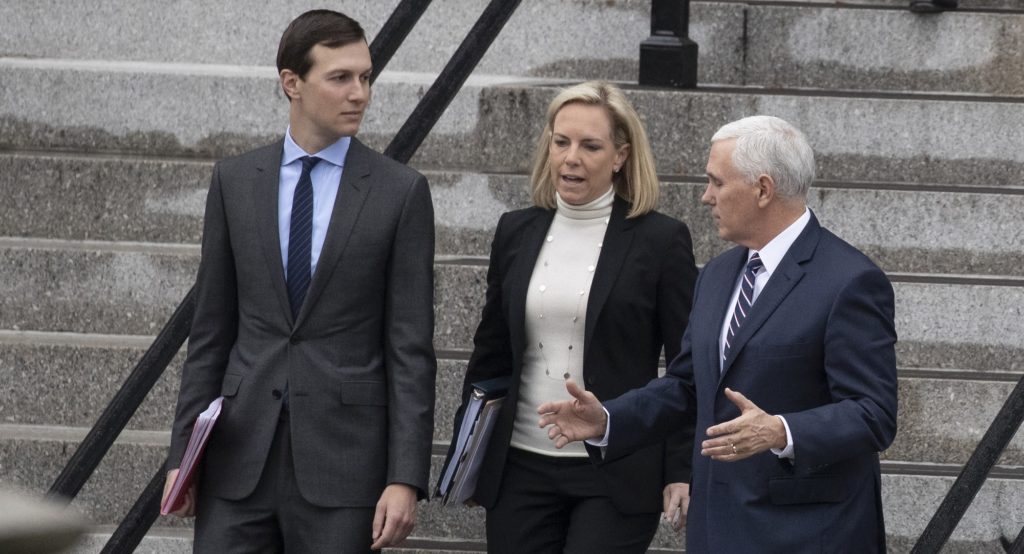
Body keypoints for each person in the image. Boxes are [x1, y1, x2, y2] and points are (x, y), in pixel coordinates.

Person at [539, 115, 898, 553]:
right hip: (716, 527)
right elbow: (688, 385)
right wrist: (610, 419)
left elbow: (873, 413)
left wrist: (780, 431)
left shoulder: (850, 281)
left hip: (806, 534)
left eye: (716, 182)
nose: (705, 196)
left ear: (762, 189)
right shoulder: (717, 274)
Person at [161, 10, 436, 553]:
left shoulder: (400, 192)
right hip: (237, 461)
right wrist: (182, 456)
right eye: (340, 77)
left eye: (365, 77)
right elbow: (211, 332)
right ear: (292, 83)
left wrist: (405, 477)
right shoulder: (236, 181)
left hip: (345, 468)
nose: (359, 93)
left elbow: (411, 350)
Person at [446, 81, 698, 553]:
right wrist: (471, 454)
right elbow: (491, 351)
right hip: (520, 467)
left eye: (590, 146)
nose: (571, 158)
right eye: (561, 142)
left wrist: (681, 468)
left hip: (616, 470)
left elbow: (688, 368)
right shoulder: (515, 230)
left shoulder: (661, 240)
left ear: (620, 156)